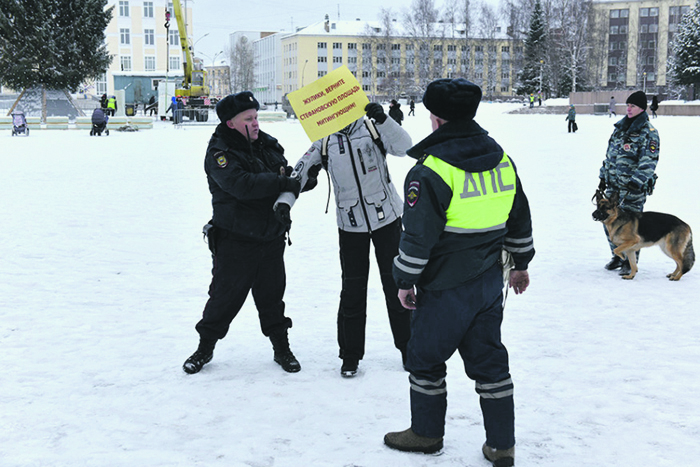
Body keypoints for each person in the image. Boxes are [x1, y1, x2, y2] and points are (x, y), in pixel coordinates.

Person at [383, 78, 535, 467]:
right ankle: (502, 446)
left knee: (425, 358)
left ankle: (426, 433)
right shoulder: (501, 158)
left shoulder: (431, 170)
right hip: (488, 283)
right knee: (490, 362)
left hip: (443, 285)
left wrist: (404, 281)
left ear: (435, 119)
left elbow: (417, 237)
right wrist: (520, 265)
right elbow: (519, 216)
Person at [275, 103, 413, 378]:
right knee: (352, 290)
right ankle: (350, 356)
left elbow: (405, 147)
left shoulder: (372, 128)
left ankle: (410, 348)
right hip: (350, 226)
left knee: (397, 285)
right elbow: (297, 175)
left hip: (387, 219)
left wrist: (384, 119)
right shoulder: (324, 141)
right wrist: (284, 203)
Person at [182, 91, 303, 375]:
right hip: (235, 240)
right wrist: (282, 182)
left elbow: (284, 174)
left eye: (256, 117)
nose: (256, 123)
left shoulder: (267, 144)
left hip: (270, 238)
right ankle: (204, 348)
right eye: (248, 119)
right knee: (224, 298)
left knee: (272, 298)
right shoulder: (220, 152)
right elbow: (242, 185)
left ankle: (281, 348)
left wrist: (300, 180)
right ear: (230, 123)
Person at [598, 90, 659, 276]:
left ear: (642, 108)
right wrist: (602, 177)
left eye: (633, 106)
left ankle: (630, 262)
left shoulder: (648, 133)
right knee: (607, 220)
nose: (629, 109)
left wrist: (637, 181)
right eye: (628, 105)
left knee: (630, 226)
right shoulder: (620, 129)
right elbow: (609, 157)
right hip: (613, 186)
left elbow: (649, 161)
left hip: (632, 189)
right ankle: (618, 256)